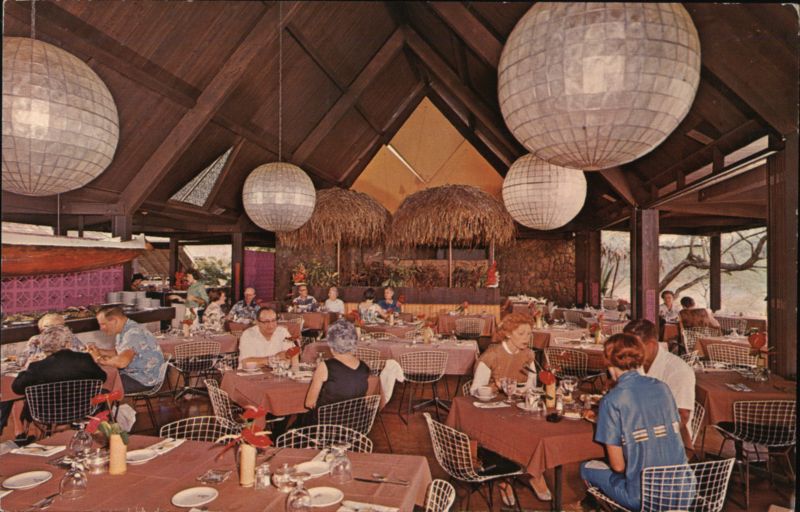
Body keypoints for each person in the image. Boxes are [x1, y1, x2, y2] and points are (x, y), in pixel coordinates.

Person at [580, 333, 691, 511]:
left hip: (644, 498)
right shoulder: (662, 387)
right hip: (684, 491)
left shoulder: (612, 400)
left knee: (586, 467)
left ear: (608, 363)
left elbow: (618, 466)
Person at [469, 313, 547, 503]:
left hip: (517, 408)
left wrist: (524, 394)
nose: (526, 339)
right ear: (508, 334)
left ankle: (535, 473)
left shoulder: (528, 355)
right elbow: (474, 390)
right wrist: (496, 386)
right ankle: (505, 479)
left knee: (538, 430)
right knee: (509, 432)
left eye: (529, 334)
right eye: (521, 334)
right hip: (489, 411)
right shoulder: (492, 355)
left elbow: (531, 386)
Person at [623, 319, 696, 448]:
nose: (629, 353)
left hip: (669, 441)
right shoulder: (636, 362)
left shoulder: (678, 371)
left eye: (635, 348)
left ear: (651, 344)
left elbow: (681, 417)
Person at [303, 320, 370, 422]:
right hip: (357, 425)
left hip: (328, 427)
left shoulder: (325, 366)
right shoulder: (364, 367)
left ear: (331, 345)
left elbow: (309, 403)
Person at [88, 307, 165, 393]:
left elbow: (122, 362)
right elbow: (118, 353)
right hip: (137, 374)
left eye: (103, 324)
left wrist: (98, 358)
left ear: (114, 320)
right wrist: (98, 351)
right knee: (99, 381)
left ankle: (106, 405)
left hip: (144, 379)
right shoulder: (123, 330)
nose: (101, 328)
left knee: (98, 388)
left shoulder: (133, 334)